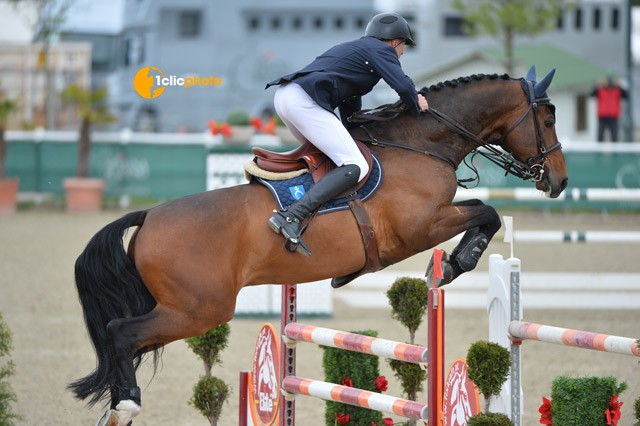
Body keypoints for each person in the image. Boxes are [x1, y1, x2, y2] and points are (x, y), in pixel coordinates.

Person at [265, 12, 429, 256]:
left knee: (330, 161)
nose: (403, 52)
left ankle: (315, 216)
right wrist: (417, 105)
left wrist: (356, 131)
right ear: (394, 41)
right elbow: (403, 85)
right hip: (303, 101)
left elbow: (350, 109)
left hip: (287, 97)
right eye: (404, 44)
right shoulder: (379, 50)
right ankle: (292, 215)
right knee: (355, 165)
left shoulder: (359, 53)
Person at [590, 76, 628, 142]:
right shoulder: (600, 89)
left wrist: (619, 85)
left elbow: (626, 96)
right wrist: (597, 85)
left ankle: (615, 151)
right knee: (600, 137)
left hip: (613, 116)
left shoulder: (617, 90)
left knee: (614, 137)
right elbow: (591, 94)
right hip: (602, 116)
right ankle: (599, 151)